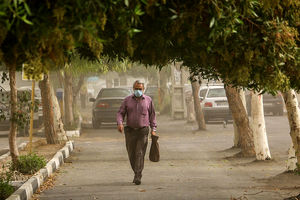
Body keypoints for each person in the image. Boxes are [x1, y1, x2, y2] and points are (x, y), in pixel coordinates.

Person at [117, 80, 157, 185]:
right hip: (130, 131)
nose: (138, 91)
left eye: (140, 89)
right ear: (133, 89)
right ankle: (136, 171)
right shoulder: (127, 100)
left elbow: (152, 116)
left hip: (143, 131)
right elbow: (120, 113)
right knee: (131, 154)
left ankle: (138, 175)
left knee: (139, 153)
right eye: (136, 89)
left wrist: (153, 130)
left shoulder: (148, 100)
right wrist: (120, 123)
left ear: (143, 90)